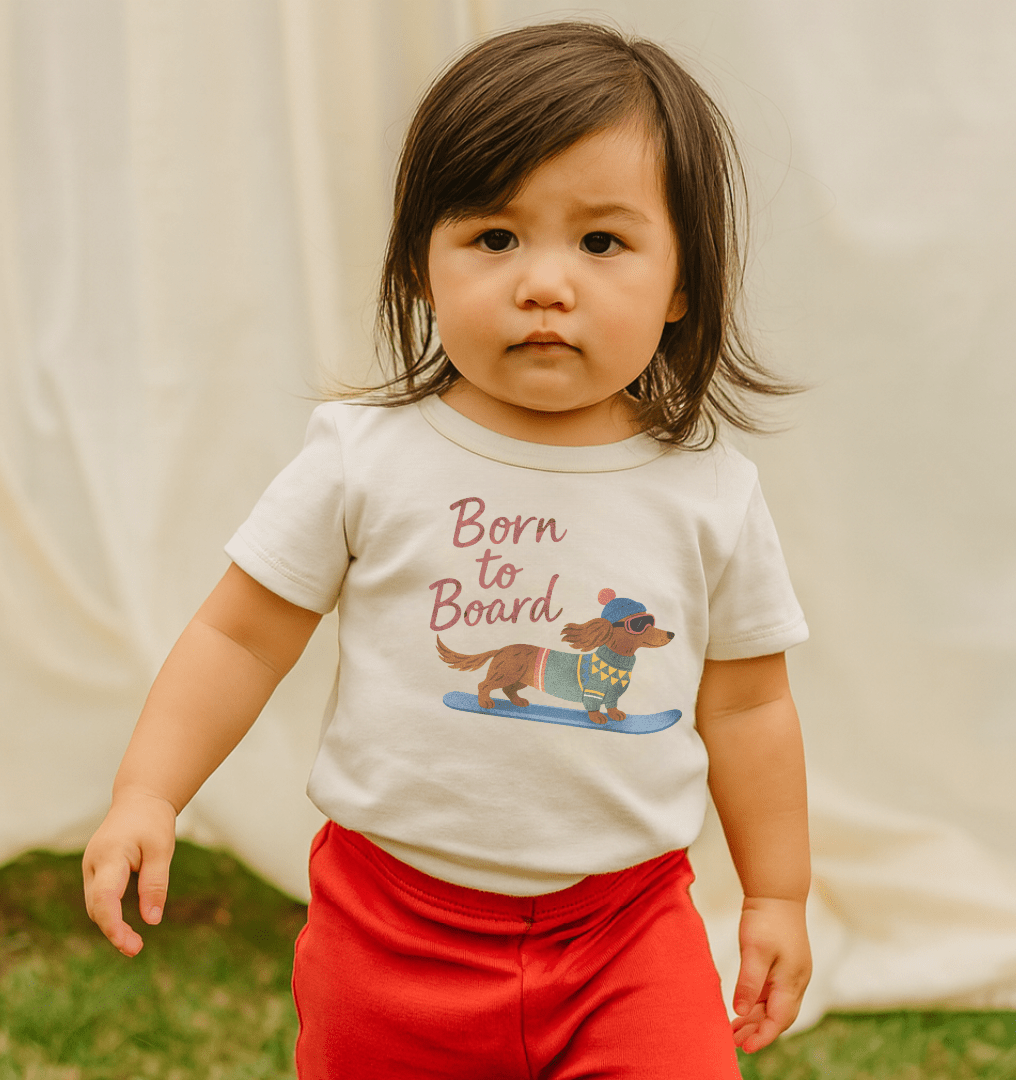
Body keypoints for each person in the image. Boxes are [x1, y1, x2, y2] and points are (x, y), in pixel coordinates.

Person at [83, 21, 812, 1080]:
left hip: (624, 933)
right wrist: (149, 792)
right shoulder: (362, 458)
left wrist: (777, 893)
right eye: (496, 237)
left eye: (601, 243)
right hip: (387, 930)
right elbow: (239, 638)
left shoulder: (710, 495)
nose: (545, 283)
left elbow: (747, 708)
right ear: (422, 265)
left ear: (682, 284)